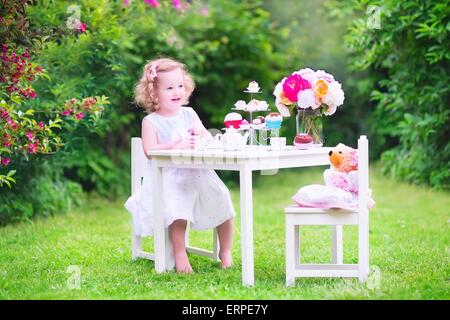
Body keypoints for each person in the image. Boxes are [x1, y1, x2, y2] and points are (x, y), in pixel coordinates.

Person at [125, 57, 236, 273]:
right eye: (169, 88)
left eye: (180, 86)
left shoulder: (189, 114)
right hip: (167, 177)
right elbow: (149, 151)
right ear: (154, 93)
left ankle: (226, 251)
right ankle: (179, 252)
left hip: (198, 173)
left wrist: (200, 134)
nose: (177, 92)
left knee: (223, 199)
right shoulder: (151, 121)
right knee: (178, 206)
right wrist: (174, 144)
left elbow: (206, 138)